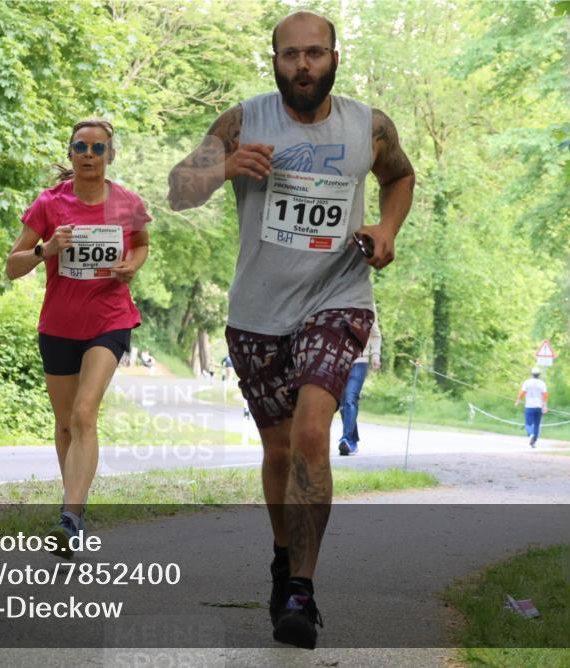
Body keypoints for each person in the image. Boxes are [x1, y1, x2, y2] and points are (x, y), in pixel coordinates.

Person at [167, 10, 414, 649]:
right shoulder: (242, 121)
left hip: (338, 296)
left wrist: (386, 232)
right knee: (278, 452)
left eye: (314, 53)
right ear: (272, 60)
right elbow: (177, 190)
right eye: (290, 56)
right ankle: (283, 561)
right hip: (257, 313)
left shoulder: (369, 126)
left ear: (335, 55)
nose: (302, 66)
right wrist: (223, 168)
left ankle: (301, 589)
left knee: (311, 435)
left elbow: (400, 178)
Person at [5, 118, 151, 557]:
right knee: (66, 422)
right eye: (81, 147)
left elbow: (141, 243)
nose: (89, 154)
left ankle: (70, 515)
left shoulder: (128, 204)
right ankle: (75, 512)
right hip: (59, 325)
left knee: (86, 413)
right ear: (70, 153)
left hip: (110, 319)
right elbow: (12, 266)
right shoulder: (49, 205)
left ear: (111, 155)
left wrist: (132, 265)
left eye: (98, 148)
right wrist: (45, 250)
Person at [338, 315, 381, 455]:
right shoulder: (337, 301)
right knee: (343, 404)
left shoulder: (368, 304)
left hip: (360, 361)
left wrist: (375, 355)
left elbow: (375, 334)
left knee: (351, 398)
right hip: (340, 361)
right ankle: (352, 440)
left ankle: (346, 440)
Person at [515, 367, 548, 448]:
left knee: (528, 423)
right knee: (537, 424)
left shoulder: (527, 382)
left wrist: (518, 400)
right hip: (538, 406)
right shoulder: (542, 383)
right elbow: (544, 395)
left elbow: (523, 392)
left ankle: (531, 435)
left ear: (532, 374)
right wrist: (544, 405)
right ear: (539, 375)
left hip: (529, 406)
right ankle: (534, 442)